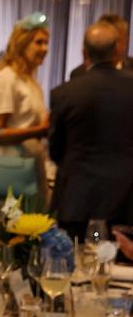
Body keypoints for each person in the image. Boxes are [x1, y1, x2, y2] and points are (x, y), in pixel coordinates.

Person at [48, 23, 133, 236]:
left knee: (72, 262)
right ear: (117, 51)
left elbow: (56, 149)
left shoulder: (65, 93)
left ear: (83, 51)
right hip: (125, 196)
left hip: (77, 194)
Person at [0, 12, 50, 213]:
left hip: (29, 168)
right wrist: (39, 130)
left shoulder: (29, 81)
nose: (45, 49)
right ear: (22, 43)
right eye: (39, 42)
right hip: (11, 171)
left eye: (46, 43)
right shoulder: (6, 80)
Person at [69, 12, 133, 78]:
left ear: (125, 41)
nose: (112, 46)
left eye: (116, 40)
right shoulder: (79, 74)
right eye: (106, 40)